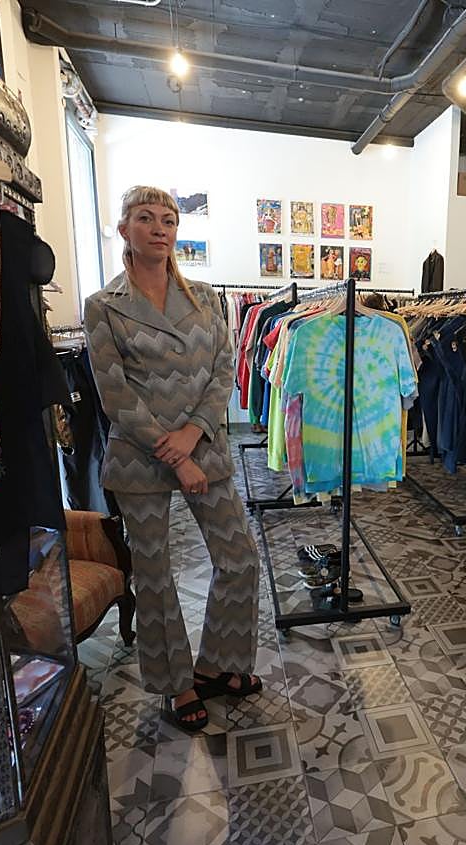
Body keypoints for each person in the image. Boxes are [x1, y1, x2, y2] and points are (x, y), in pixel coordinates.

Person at [84, 185, 263, 732]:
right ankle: (176, 684)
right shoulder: (104, 307)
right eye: (146, 218)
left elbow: (222, 370)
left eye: (168, 220)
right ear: (124, 230)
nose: (160, 228)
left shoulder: (207, 298)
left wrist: (194, 435)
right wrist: (172, 450)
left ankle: (217, 666)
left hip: (204, 448)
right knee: (156, 577)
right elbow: (115, 395)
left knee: (240, 559)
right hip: (141, 461)